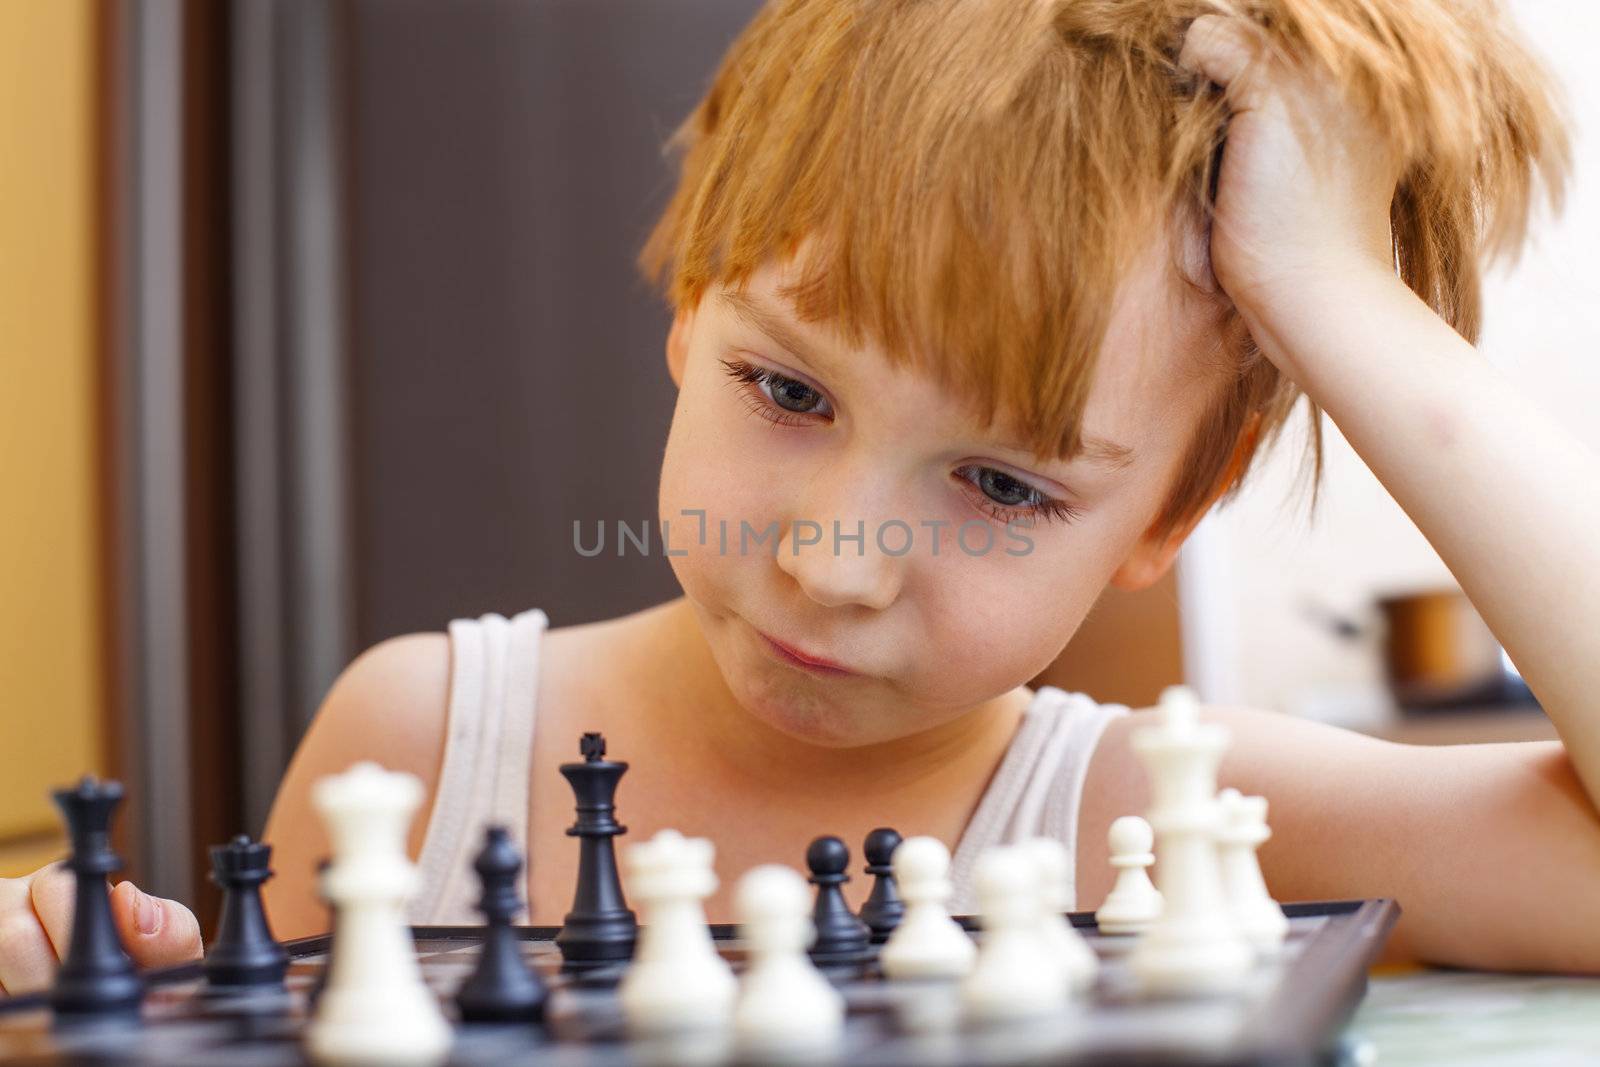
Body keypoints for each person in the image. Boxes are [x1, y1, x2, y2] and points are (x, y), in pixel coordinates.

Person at [3, 0, 1596, 995]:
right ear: (691, 312)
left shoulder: (1166, 821)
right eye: (788, 390)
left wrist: (1349, 314)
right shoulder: (422, 740)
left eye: (1002, 482)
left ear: (1176, 514)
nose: (840, 565)